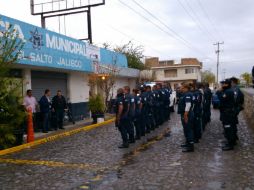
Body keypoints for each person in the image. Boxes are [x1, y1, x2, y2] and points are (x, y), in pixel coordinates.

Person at [217, 79, 237, 151]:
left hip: (227, 113)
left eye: (223, 84)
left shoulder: (228, 92)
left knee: (228, 128)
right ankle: (230, 141)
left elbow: (221, 98)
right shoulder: (229, 91)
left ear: (227, 84)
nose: (222, 85)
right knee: (228, 128)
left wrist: (219, 91)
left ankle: (230, 144)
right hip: (228, 112)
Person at [178, 83, 194, 152]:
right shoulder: (184, 94)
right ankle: (187, 143)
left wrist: (185, 115)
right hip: (184, 114)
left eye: (182, 87)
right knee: (186, 129)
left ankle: (190, 147)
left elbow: (188, 105)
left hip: (187, 114)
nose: (181, 88)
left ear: (186, 88)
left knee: (188, 130)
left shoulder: (188, 94)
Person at [230, 77, 244, 141]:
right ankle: (234, 137)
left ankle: (233, 138)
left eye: (231, 82)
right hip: (234, 109)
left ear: (233, 82)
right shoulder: (235, 89)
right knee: (233, 123)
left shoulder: (236, 90)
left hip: (234, 109)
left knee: (232, 124)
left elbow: (235, 100)